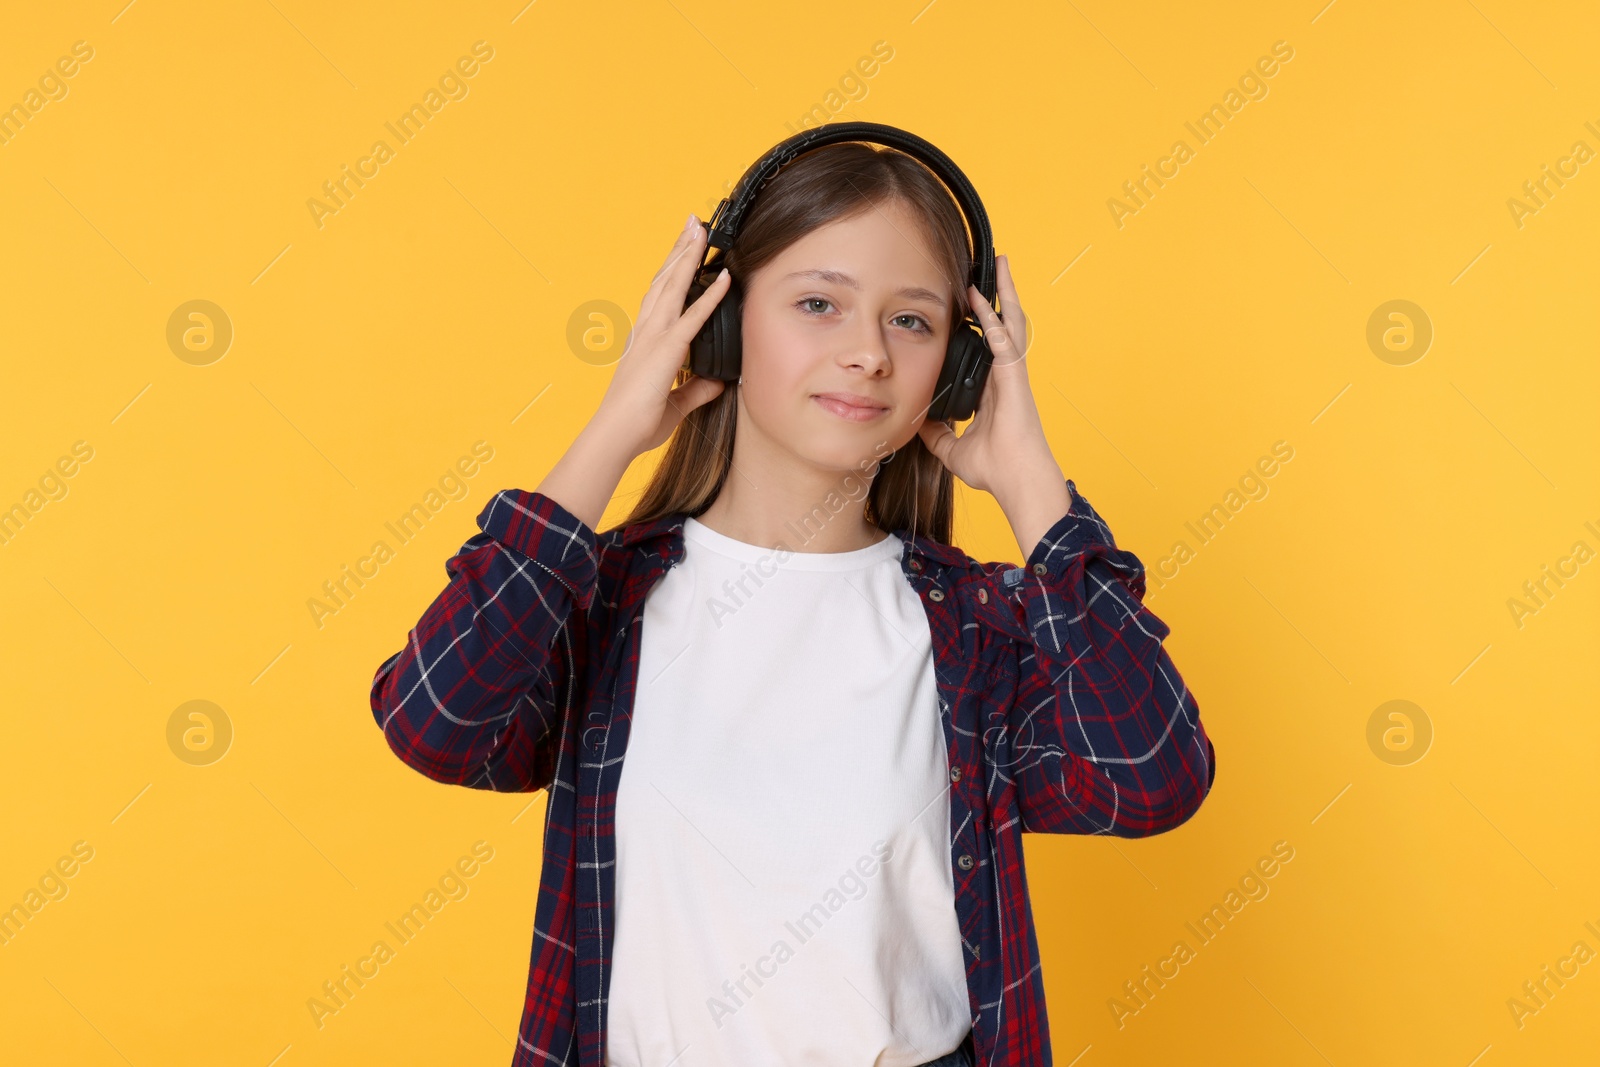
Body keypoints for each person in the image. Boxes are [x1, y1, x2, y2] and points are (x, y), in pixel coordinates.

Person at [369, 138, 1216, 1067]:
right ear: (719, 328)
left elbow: (1149, 779)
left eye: (912, 322)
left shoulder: (977, 631)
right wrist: (613, 431)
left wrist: (1033, 492)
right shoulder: (604, 606)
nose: (867, 354)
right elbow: (435, 723)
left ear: (960, 370)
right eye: (820, 303)